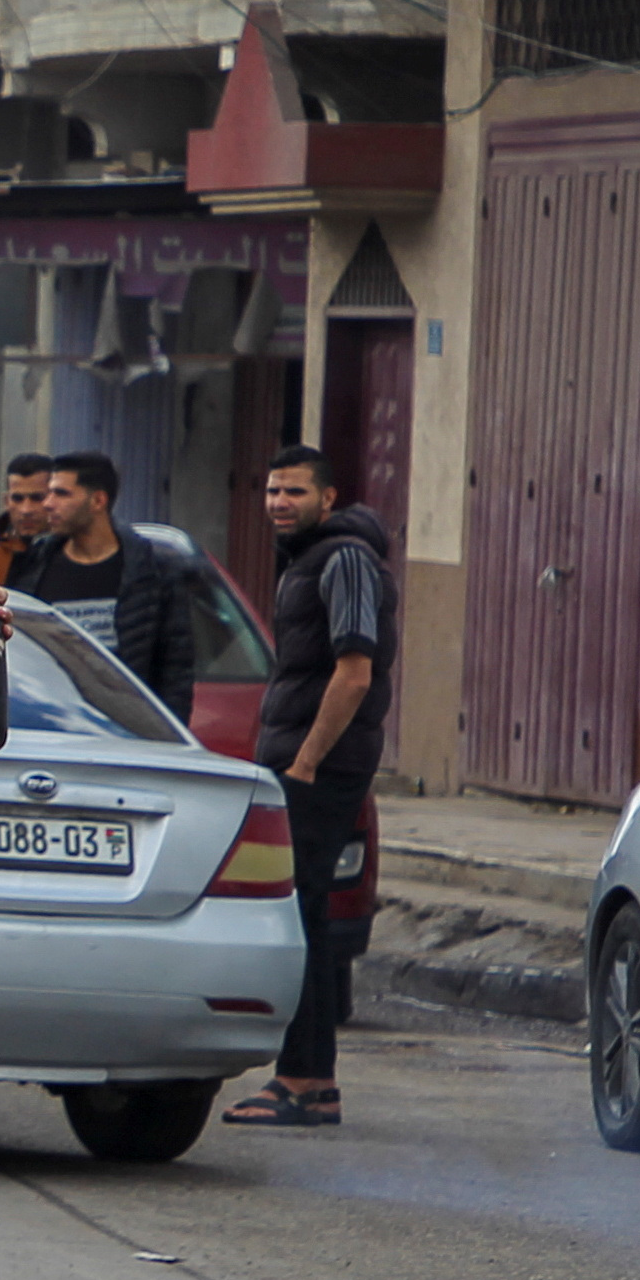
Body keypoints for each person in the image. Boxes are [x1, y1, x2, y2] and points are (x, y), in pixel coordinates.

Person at [225, 445, 399, 1131]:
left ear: (327, 499)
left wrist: (303, 761)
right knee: (307, 918)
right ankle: (309, 1082)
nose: (278, 503)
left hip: (320, 768)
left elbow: (353, 672)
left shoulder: (345, 558)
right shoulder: (309, 558)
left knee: (302, 918)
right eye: (271, 491)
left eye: (293, 492)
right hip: (301, 762)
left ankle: (301, 1078)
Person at [12, 450, 197, 721]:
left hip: (125, 731)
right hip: (56, 726)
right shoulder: (34, 565)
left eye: (62, 494)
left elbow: (175, 668)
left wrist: (166, 739)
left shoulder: (151, 570)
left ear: (97, 500)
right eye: (49, 493)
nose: (48, 504)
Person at [0, 454, 56, 587]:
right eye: (18, 498)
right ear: (6, 501)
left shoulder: (74, 559)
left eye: (37, 498)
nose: (26, 510)